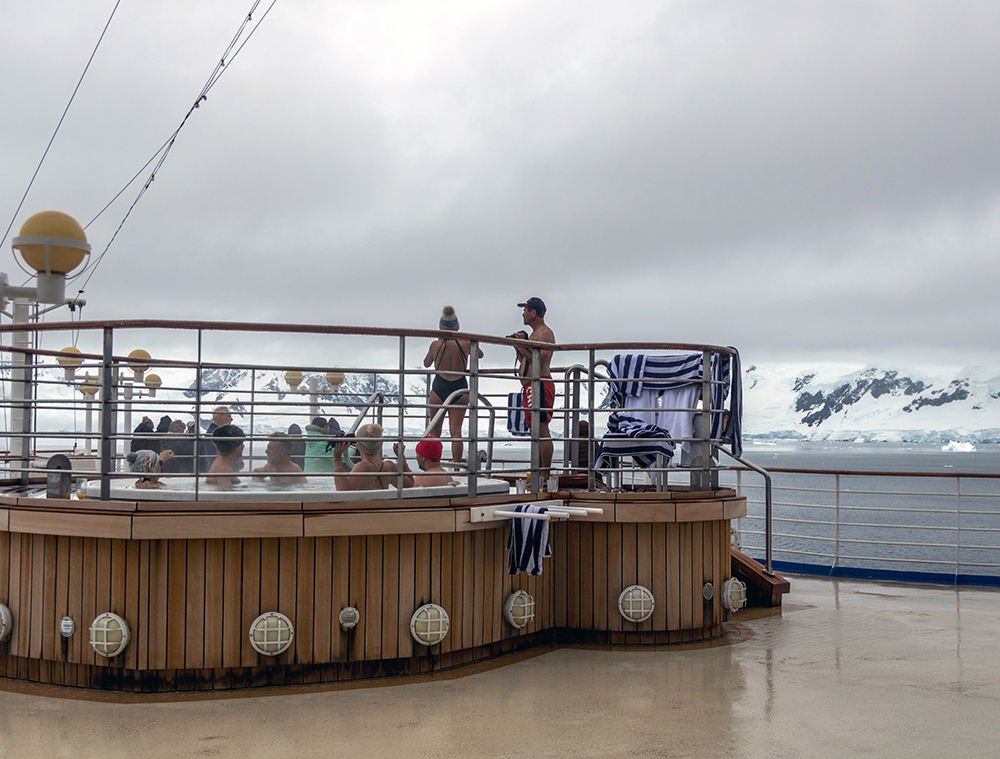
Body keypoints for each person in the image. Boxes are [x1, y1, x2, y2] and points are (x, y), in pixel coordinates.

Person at [423, 306, 483, 462]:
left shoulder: (435, 345)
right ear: (457, 327)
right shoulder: (465, 343)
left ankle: (433, 465)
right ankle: (457, 467)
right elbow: (480, 354)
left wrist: (439, 344)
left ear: (440, 327)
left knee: (435, 432)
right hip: (460, 387)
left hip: (439, 387)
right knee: (456, 432)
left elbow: (426, 363)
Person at [514, 297, 556, 483]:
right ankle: (539, 473)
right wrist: (518, 346)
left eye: (525, 310)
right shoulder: (534, 335)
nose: (522, 314)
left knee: (541, 430)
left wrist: (523, 345)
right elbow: (527, 359)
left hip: (540, 384)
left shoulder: (545, 334)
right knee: (535, 431)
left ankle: (545, 475)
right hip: (531, 386)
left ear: (533, 313)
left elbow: (540, 361)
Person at [332, 423, 413, 491]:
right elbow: (410, 485)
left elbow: (343, 491)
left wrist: (337, 459)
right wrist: (401, 457)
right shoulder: (389, 467)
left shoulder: (362, 467)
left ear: (358, 444)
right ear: (380, 444)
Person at [200, 406, 233, 472]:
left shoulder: (212, 434)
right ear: (220, 417)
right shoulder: (214, 436)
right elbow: (214, 458)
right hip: (217, 471)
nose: (231, 419)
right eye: (228, 416)